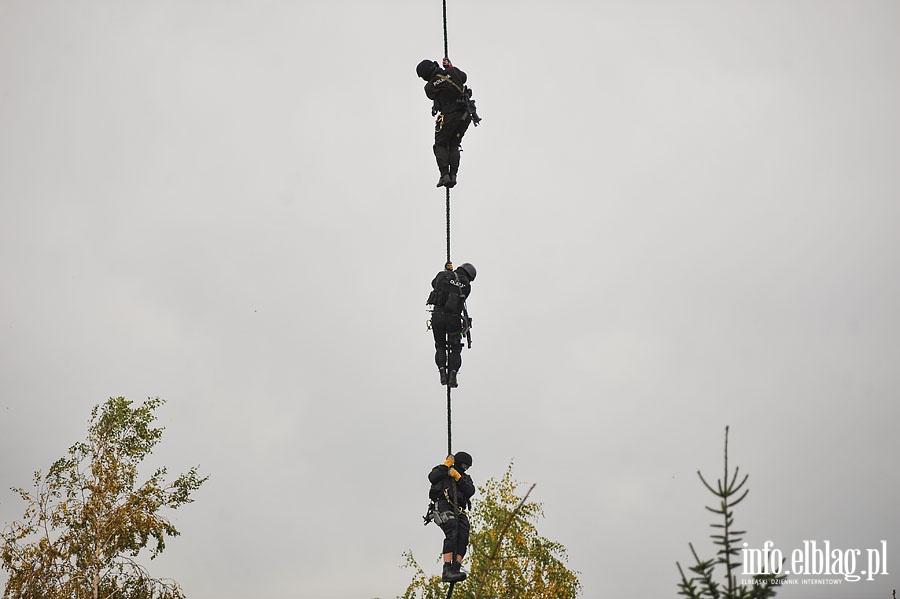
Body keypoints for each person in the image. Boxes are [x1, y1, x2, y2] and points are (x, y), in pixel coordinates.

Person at [416, 58, 480, 188]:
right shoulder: (453, 71)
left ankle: (445, 175)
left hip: (450, 116)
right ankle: (454, 175)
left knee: (440, 144)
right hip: (465, 115)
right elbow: (463, 77)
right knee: (454, 144)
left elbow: (433, 94)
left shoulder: (429, 87)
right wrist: (449, 68)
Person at [428, 452, 475, 583]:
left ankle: (456, 568)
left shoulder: (465, 478)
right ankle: (447, 568)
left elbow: (470, 491)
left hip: (459, 510)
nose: (466, 468)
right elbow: (432, 477)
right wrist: (446, 466)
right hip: (443, 505)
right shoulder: (442, 470)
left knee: (463, 535)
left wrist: (458, 477)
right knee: (452, 528)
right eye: (464, 465)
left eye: (468, 466)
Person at [427, 262, 476, 388]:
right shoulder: (467, 286)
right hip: (453, 319)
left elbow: (434, 284)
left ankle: (443, 373)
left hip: (437, 316)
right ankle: (453, 375)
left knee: (440, 346)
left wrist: (447, 272)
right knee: (455, 348)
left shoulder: (443, 275)